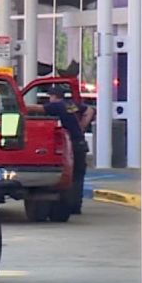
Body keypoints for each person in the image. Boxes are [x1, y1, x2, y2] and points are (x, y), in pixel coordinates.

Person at [42, 83, 95, 214]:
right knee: (78, 176)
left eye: (50, 96)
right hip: (80, 143)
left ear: (54, 96)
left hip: (71, 144)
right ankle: (76, 206)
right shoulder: (71, 104)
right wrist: (82, 126)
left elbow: (35, 109)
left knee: (69, 176)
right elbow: (90, 110)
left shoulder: (56, 106)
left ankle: (69, 204)